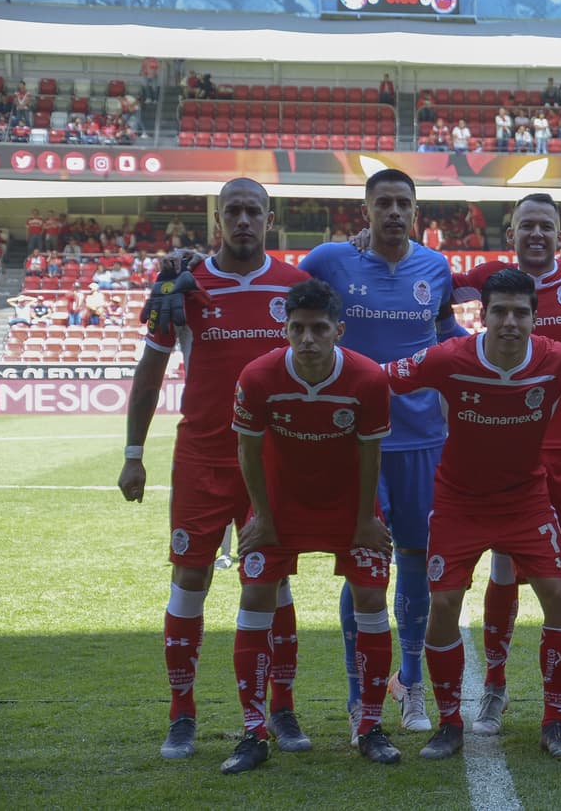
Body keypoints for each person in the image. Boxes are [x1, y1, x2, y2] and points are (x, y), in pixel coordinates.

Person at [383, 267, 561, 761]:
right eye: (500, 312)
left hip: (525, 500)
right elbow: (382, 377)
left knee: (558, 594)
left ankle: (553, 720)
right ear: (482, 315)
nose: (510, 321)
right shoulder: (449, 358)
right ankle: (449, 723)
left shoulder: (557, 360)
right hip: (458, 501)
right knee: (443, 605)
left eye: (520, 312)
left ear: (535, 318)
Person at [118, 178, 311, 761]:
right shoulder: (182, 285)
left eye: (255, 211)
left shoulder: (296, 286)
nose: (245, 220)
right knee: (191, 580)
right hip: (202, 456)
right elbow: (149, 374)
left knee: (269, 582)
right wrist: (133, 455)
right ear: (218, 220)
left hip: (275, 460)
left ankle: (281, 708)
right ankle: (182, 715)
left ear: (270, 218)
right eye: (235, 211)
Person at [299, 168, 462, 740]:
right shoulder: (329, 261)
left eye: (404, 204)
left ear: (416, 212)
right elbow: (279, 295)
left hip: (422, 441)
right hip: (356, 444)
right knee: (365, 568)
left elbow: (446, 330)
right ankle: (358, 695)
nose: (394, 212)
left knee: (418, 561)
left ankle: (409, 683)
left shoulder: (435, 267)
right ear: (364, 211)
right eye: (384, 203)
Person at [452, 194, 561, 737]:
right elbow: (428, 288)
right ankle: (496, 688)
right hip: (511, 446)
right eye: (526, 225)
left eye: (546, 226)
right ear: (512, 232)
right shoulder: (487, 277)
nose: (536, 235)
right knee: (504, 569)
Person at [222, 278, 399, 773]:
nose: (307, 339)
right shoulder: (258, 377)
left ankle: (369, 726)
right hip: (281, 507)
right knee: (256, 594)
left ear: (339, 330)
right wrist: (260, 515)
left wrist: (365, 520)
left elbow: (371, 453)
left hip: (349, 508)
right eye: (297, 328)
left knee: (370, 596)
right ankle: (255, 731)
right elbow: (248, 450)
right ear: (285, 329)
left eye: (319, 328)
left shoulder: (367, 380)